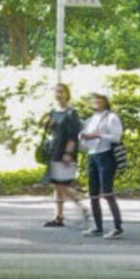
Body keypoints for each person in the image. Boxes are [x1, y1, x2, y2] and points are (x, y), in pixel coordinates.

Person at [80, 89, 125, 237]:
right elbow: (84, 135)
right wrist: (84, 137)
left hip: (106, 155)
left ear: (105, 101)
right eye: (94, 99)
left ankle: (117, 226)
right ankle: (98, 226)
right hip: (93, 155)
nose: (96, 102)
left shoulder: (111, 117)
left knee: (107, 191)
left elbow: (116, 137)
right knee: (93, 193)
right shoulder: (92, 118)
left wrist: (98, 135)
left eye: (99, 99)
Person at [38, 81, 82, 227]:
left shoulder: (71, 113)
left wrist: (68, 153)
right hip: (54, 150)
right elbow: (48, 129)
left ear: (67, 94)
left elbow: (73, 135)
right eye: (56, 92)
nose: (59, 95)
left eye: (61, 92)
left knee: (62, 184)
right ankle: (59, 216)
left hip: (65, 151)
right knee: (57, 185)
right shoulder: (53, 112)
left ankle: (81, 206)